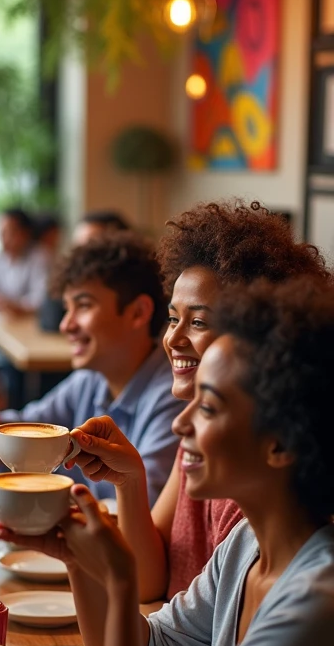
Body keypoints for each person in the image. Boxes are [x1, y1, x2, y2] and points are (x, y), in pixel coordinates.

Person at [17, 277, 334, 646]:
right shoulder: (250, 548)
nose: (179, 422)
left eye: (208, 407)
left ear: (282, 443)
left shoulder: (316, 607)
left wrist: (119, 585)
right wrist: (80, 560)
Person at [65, 200, 330, 601]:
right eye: (173, 318)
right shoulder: (197, 438)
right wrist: (129, 481)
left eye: (199, 321)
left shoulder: (253, 471)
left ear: (255, 335)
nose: (173, 338)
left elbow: (212, 644)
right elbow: (148, 581)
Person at [0, 234, 184, 505]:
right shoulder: (90, 380)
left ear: (138, 313)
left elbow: (143, 508)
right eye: (67, 308)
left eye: (84, 305)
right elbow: (20, 444)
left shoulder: (172, 400)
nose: (66, 325)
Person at [0, 207, 51, 313]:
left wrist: (16, 306)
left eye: (9, 233)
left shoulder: (39, 256)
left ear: (25, 233)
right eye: (1, 233)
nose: (3, 239)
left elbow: (41, 298)